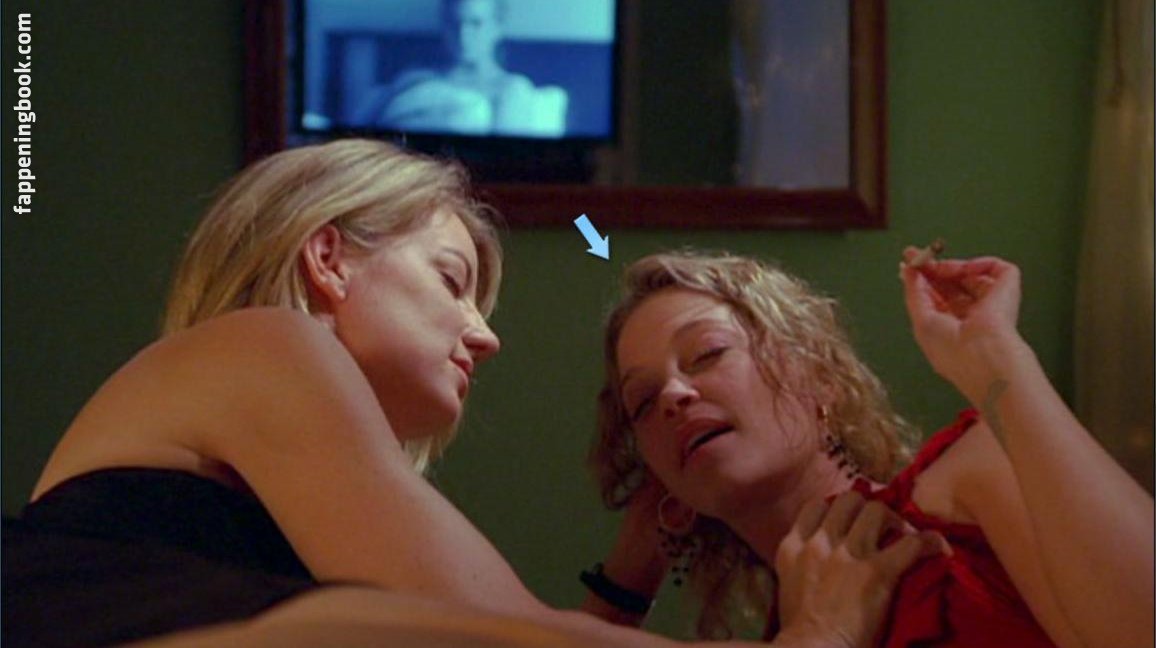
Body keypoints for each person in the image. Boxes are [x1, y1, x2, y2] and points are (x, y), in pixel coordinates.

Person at [2, 139, 943, 648]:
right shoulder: (262, 344)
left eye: (708, 356)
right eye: (452, 280)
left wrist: (627, 577)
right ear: (328, 258)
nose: (485, 337)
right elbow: (507, 639)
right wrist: (820, 634)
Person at [585, 250, 1155, 646]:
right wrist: (630, 572)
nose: (674, 395)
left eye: (708, 353)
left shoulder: (964, 483)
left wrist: (995, 356)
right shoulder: (795, 633)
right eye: (643, 401)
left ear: (820, 378)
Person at [354, 0, 568, 137]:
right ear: (443, 26)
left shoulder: (512, 88)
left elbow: (512, 156)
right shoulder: (415, 79)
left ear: (497, 27)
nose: (463, 35)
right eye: (454, 24)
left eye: (476, 23)